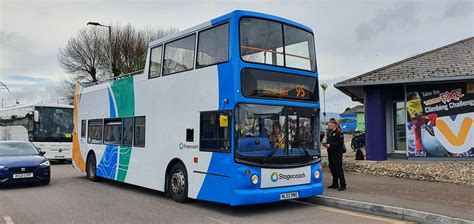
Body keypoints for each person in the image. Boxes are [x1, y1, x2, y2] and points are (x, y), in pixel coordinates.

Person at [406, 91, 437, 157]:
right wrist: (421, 116)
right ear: (413, 97)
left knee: (417, 137)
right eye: (415, 96)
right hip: (420, 118)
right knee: (434, 115)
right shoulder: (416, 101)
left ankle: (419, 151)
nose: (417, 97)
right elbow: (418, 101)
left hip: (414, 122)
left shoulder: (408, 104)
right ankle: (430, 126)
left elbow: (411, 112)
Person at [322, 120, 346, 191]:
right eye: (328, 125)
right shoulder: (330, 133)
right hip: (330, 154)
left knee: (339, 169)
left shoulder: (339, 133)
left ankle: (343, 184)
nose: (328, 126)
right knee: (332, 169)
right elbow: (329, 142)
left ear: (334, 125)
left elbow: (339, 143)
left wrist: (330, 145)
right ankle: (335, 183)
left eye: (330, 125)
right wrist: (325, 144)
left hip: (337, 154)